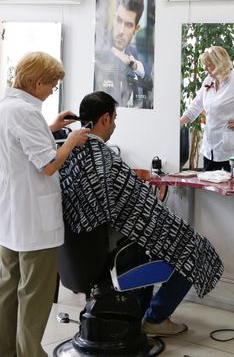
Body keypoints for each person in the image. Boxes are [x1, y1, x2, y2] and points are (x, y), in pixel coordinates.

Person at [58, 91, 223, 337]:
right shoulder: (106, 161)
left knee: (147, 241)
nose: (114, 125)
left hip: (76, 255)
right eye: (114, 119)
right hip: (107, 254)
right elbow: (146, 209)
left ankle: (138, 313)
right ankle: (155, 318)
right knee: (195, 248)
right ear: (104, 119)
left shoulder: (65, 154)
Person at [0, 52, 90, 357]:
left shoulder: (7, 106)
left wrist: (50, 129)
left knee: (7, 290)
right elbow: (48, 164)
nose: (53, 90)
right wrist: (71, 140)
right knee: (34, 295)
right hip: (33, 221)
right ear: (38, 82)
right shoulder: (25, 113)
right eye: (52, 85)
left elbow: (20, 145)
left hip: (10, 218)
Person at [180, 46, 234, 171]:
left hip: (233, 152)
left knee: (231, 187)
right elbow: (196, 105)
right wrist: (179, 123)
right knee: (208, 187)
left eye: (209, 65)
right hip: (210, 149)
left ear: (219, 64)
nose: (205, 68)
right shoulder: (209, 80)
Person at [94, 0, 153, 108]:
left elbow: (149, 82)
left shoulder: (132, 52)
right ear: (113, 18)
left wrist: (133, 64)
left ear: (136, 29)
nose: (121, 31)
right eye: (119, 20)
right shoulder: (99, 46)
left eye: (128, 25)